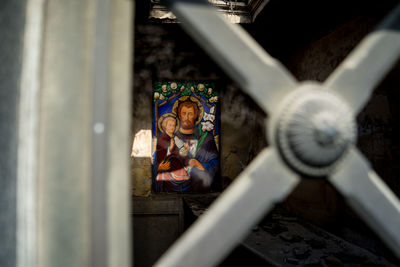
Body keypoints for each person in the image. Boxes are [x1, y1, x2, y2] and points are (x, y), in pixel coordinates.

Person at [174, 100, 219, 191]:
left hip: (200, 184)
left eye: (190, 114)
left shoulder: (206, 137)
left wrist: (199, 165)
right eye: (184, 113)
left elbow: (215, 163)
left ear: (196, 115)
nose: (186, 117)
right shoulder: (172, 138)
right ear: (179, 115)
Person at [155, 114, 190, 192]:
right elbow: (161, 152)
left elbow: (182, 148)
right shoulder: (162, 137)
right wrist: (170, 148)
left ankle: (182, 174)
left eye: (174, 125)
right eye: (170, 125)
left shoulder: (175, 137)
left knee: (179, 158)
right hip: (166, 159)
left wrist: (183, 150)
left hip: (175, 156)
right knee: (174, 160)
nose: (172, 127)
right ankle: (179, 175)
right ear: (165, 126)